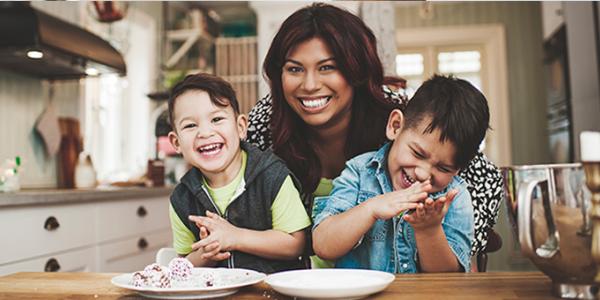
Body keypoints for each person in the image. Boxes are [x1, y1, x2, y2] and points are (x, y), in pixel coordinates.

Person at [246, 3, 503, 267]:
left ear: (356, 70)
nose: (310, 85)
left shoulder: (395, 113)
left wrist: (441, 233)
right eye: (294, 69)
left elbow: (486, 179)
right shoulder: (268, 120)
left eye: (327, 68)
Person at [312, 74, 488, 273]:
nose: (423, 173)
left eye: (443, 168)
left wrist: (429, 231)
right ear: (395, 126)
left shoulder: (454, 196)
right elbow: (323, 245)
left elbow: (450, 280)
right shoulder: (360, 173)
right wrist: (370, 209)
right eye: (417, 153)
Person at [167, 73, 311, 274]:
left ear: (241, 127)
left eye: (217, 119)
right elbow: (185, 263)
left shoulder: (272, 176)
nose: (205, 133)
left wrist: (235, 237)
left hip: (272, 292)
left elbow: (296, 244)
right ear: (176, 143)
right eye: (190, 125)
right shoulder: (182, 199)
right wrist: (206, 252)